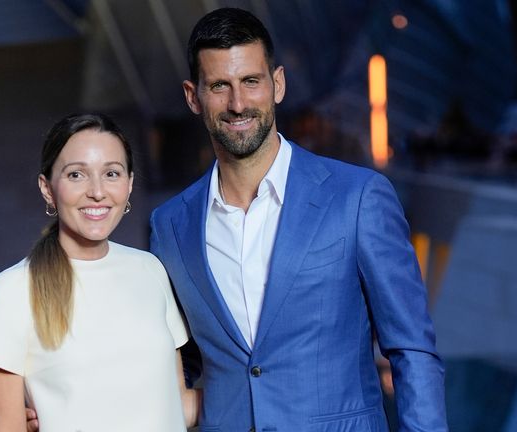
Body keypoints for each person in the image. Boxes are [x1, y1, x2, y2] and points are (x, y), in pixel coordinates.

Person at [149, 8, 447, 431]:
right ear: (192, 96)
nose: (237, 104)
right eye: (219, 86)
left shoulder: (357, 197)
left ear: (278, 84)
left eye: (251, 81)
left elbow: (412, 348)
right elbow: (183, 357)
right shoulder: (170, 225)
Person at [0, 113, 199, 431]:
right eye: (77, 175)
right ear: (47, 188)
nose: (97, 191)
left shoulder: (150, 270)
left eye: (112, 173)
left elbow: (179, 405)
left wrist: (263, 387)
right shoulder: (9, 292)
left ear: (130, 183)